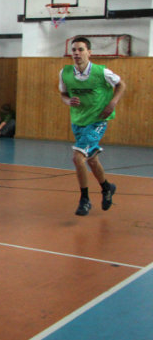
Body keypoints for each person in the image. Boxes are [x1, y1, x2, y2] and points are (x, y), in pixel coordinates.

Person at [58, 36, 125, 216]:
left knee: (78, 157)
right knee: (92, 160)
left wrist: (112, 103)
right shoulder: (65, 73)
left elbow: (121, 85)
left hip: (97, 120)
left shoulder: (101, 72)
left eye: (81, 49)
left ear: (89, 52)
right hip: (78, 121)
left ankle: (85, 199)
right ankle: (107, 187)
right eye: (74, 50)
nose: (76, 53)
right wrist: (68, 101)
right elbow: (63, 94)